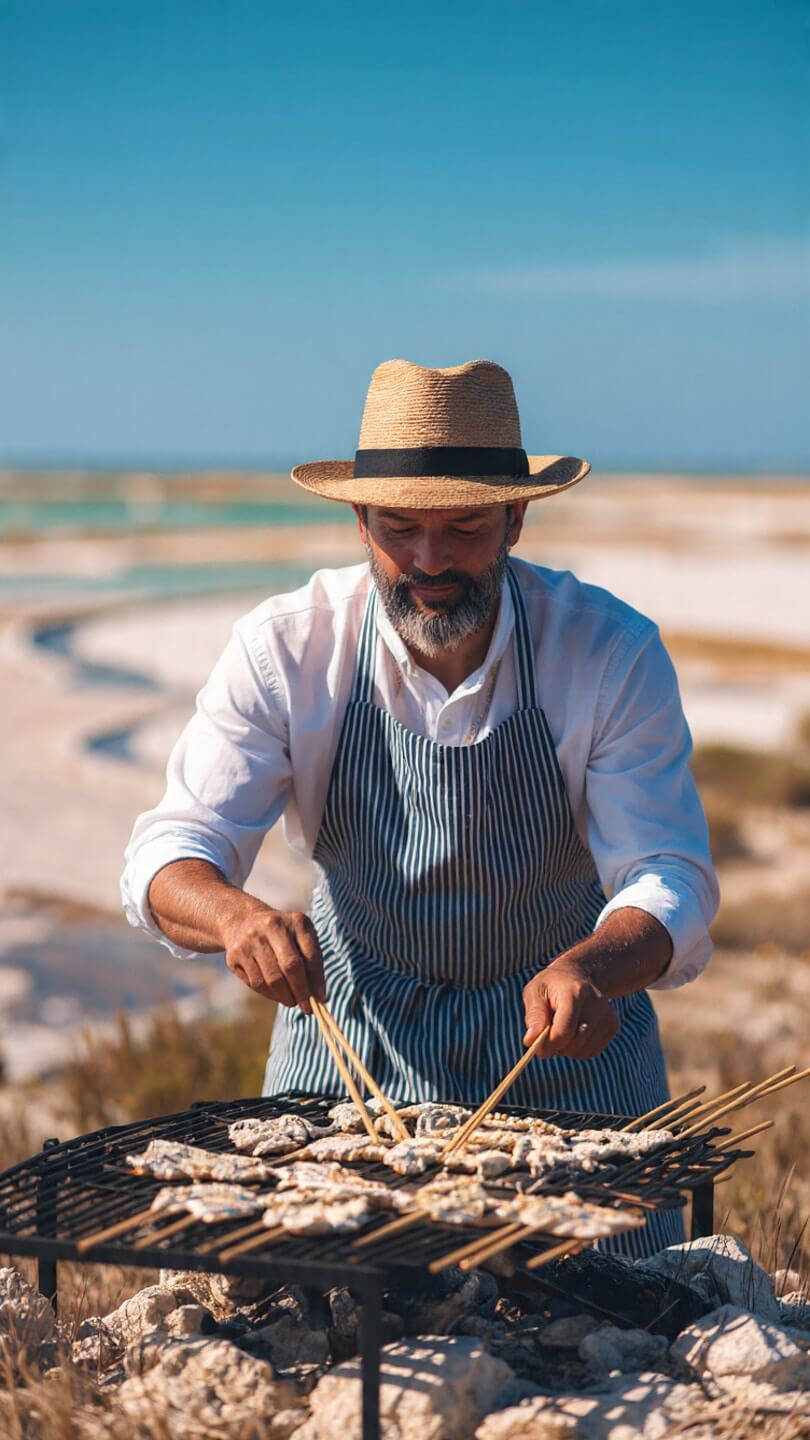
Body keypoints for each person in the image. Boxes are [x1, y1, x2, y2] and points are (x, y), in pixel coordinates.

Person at [122, 358, 719, 1256]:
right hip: (353, 1050)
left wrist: (596, 965)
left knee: (614, 1311)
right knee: (322, 1293)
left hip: (569, 1053)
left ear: (518, 517)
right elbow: (169, 850)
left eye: (465, 528)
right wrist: (236, 917)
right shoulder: (286, 646)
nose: (431, 562)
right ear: (360, 520)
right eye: (400, 528)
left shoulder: (610, 650)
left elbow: (669, 874)